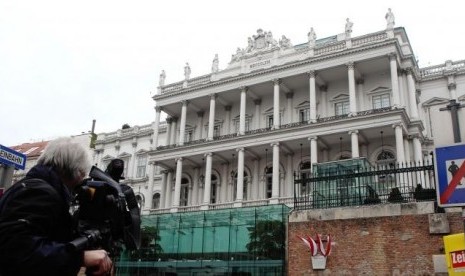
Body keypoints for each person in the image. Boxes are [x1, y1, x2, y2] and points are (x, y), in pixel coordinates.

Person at [0, 138, 113, 276]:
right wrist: (80, 258)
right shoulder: (39, 192)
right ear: (76, 171)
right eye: (83, 174)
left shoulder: (29, 187)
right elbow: (17, 250)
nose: (83, 181)